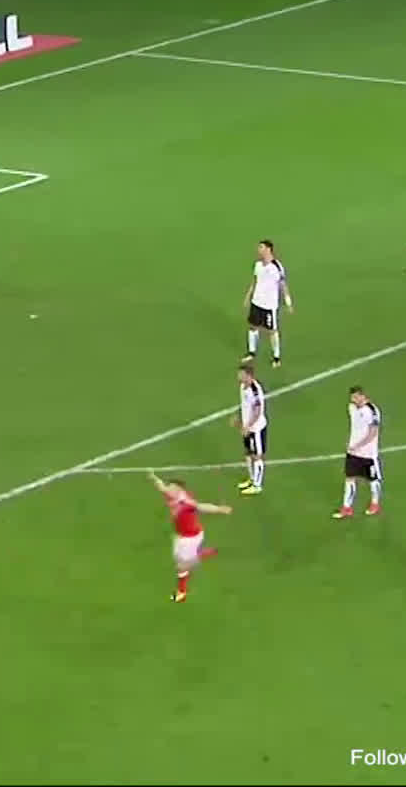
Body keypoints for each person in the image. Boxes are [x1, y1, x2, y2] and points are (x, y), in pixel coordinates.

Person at [148, 472, 228, 603]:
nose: (169, 490)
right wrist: (154, 478)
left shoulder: (185, 502)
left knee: (182, 566)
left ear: (180, 490)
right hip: (181, 536)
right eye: (170, 487)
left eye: (172, 488)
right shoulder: (170, 495)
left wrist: (219, 509)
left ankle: (182, 593)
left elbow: (202, 507)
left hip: (191, 537)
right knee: (179, 559)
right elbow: (162, 487)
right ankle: (203, 553)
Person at [244, 239, 293, 367]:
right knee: (252, 326)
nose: (258, 250)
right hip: (256, 302)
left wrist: (288, 302)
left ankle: (276, 357)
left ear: (268, 249)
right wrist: (248, 296)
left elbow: (283, 285)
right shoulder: (258, 265)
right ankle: (251, 352)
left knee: (271, 331)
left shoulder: (276, 267)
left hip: (269, 306)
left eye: (261, 247)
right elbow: (255, 281)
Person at [336, 387, 383, 519]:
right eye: (352, 397)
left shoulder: (372, 411)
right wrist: (352, 445)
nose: (354, 400)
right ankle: (347, 507)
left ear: (363, 396)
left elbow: (373, 433)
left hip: (368, 454)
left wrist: (358, 445)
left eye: (356, 397)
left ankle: (375, 504)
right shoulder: (351, 408)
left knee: (373, 480)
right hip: (353, 453)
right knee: (349, 479)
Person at [233, 363, 269, 496]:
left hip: (256, 429)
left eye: (241, 374)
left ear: (249, 376)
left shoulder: (255, 391)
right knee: (248, 453)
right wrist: (239, 417)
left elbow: (257, 412)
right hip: (246, 427)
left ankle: (257, 485)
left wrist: (248, 426)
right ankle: (252, 479)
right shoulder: (243, 387)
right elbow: (244, 405)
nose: (239, 376)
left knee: (257, 456)